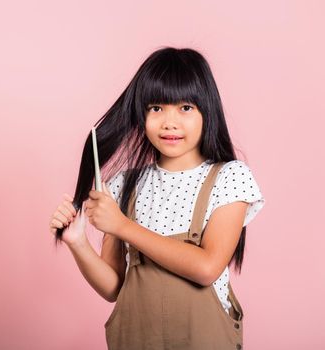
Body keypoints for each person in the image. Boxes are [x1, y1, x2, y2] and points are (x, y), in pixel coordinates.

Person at [48, 46, 265, 349]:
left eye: (186, 108)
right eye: (156, 108)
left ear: (208, 111)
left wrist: (122, 226)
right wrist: (78, 243)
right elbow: (114, 287)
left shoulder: (230, 177)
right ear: (142, 114)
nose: (169, 122)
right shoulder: (123, 186)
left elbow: (206, 268)